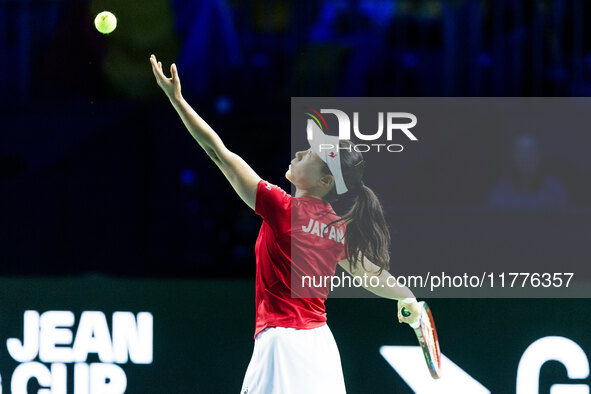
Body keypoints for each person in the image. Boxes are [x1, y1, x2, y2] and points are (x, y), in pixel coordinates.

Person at [149, 55, 421, 394]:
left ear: (324, 181)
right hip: (320, 348)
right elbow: (370, 274)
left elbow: (217, 151)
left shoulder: (280, 206)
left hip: (283, 344)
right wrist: (406, 295)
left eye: (307, 156)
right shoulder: (338, 228)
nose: (298, 155)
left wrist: (177, 100)